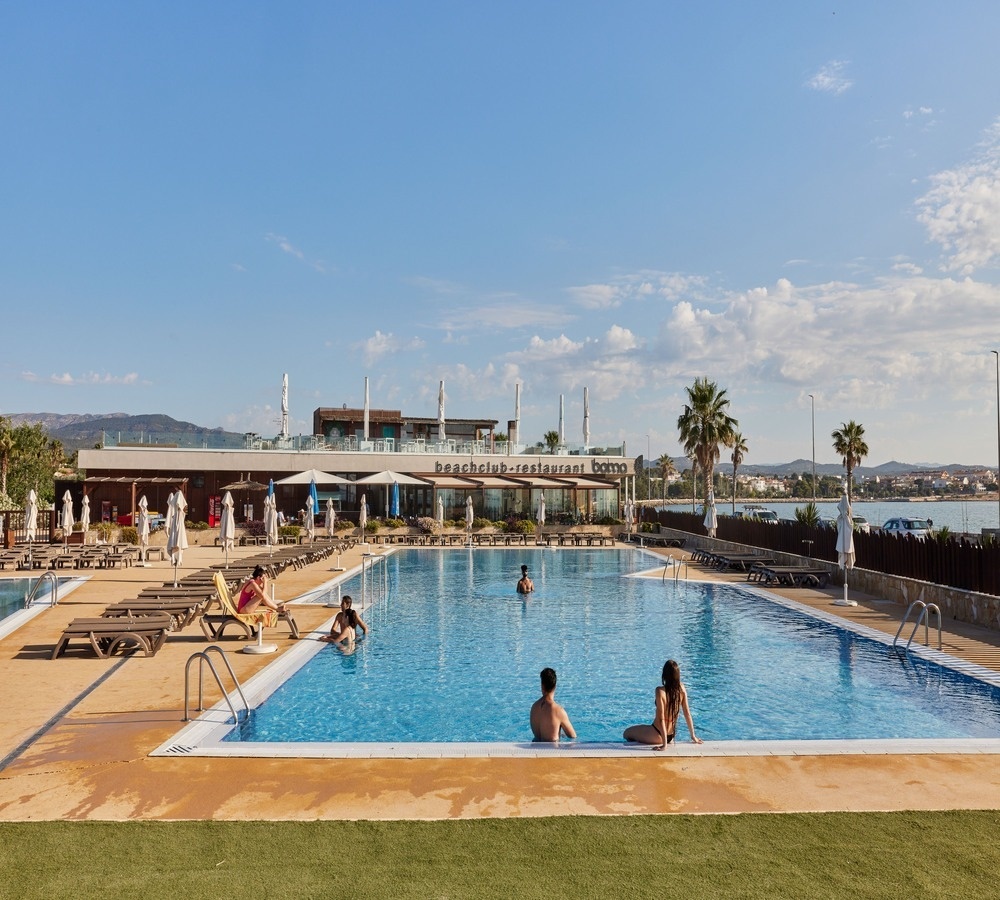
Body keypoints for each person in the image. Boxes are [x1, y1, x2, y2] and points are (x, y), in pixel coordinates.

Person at [624, 659, 703, 749]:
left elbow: (661, 719)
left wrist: (664, 745)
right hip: (671, 734)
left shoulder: (660, 691)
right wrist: (693, 736)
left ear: (664, 675)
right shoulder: (682, 688)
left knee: (627, 733)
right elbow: (687, 713)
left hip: (657, 734)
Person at [530, 667, 576, 742]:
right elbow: (573, 737)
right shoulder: (558, 711)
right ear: (555, 686)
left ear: (542, 685)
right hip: (552, 752)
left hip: (535, 750)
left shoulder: (534, 707)